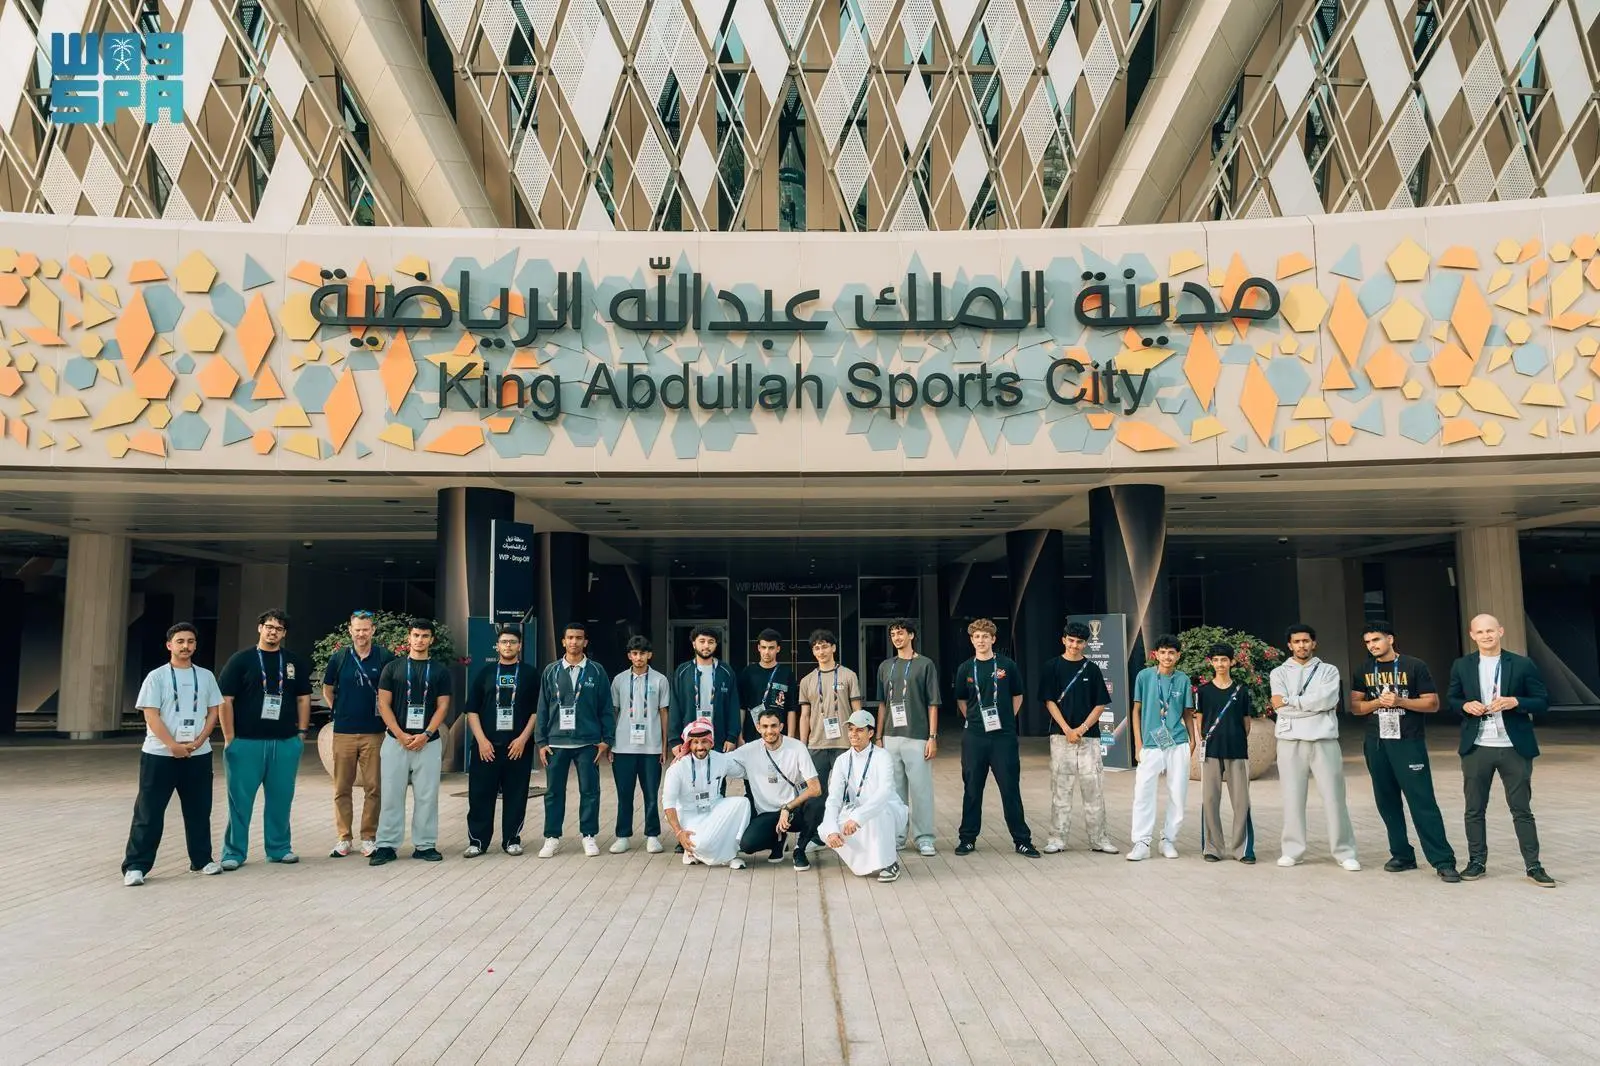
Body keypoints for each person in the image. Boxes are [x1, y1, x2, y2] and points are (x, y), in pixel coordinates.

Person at [1446, 614, 1554, 888]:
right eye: (1480, 632)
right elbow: (1452, 699)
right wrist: (1464, 706)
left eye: (1490, 631)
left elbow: (1542, 701)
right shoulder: (1462, 665)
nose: (1486, 636)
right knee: (1474, 809)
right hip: (1477, 746)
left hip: (1514, 747)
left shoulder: (1522, 664)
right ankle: (1476, 861)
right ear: (1472, 635)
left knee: (1521, 809)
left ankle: (1533, 866)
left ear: (1501, 631)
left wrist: (1516, 701)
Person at [1351, 622, 1459, 882]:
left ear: (1390, 639)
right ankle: (1402, 855)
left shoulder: (1414, 666)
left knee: (1422, 801)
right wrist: (1377, 702)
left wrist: (1400, 701)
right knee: (1387, 801)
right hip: (1377, 743)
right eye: (1367, 642)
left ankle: (1443, 860)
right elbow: (1356, 706)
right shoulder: (1364, 669)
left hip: (1408, 741)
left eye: (1376, 640)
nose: (1372, 645)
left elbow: (1432, 703)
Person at [122, 623, 224, 885]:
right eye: (180, 641)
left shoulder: (206, 676)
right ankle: (136, 866)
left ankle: (201, 860)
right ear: (169, 645)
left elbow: (213, 711)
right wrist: (172, 745)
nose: (185, 646)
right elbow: (151, 715)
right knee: (149, 812)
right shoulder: (156, 677)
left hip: (198, 755)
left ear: (195, 645)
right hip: (159, 754)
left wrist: (199, 740)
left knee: (199, 810)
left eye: (190, 641)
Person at [218, 609, 312, 870]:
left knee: (281, 799)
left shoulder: (292, 662)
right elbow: (225, 700)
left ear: (284, 633)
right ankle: (234, 852)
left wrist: (301, 734)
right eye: (269, 627)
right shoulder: (241, 660)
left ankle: (279, 848)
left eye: (279, 629)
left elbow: (303, 698)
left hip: (284, 742)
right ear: (260, 628)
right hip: (246, 742)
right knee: (240, 801)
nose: (273, 632)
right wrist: (229, 738)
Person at [1271, 623, 1359, 871]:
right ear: (1289, 645)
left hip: (1323, 739)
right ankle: (1292, 851)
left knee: (1334, 798)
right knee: (1292, 798)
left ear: (1314, 643)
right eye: (1297, 641)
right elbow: (1279, 708)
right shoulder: (1278, 673)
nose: (1302, 645)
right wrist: (1311, 706)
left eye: (1306, 641)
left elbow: (1327, 700)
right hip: (1290, 741)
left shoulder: (1328, 670)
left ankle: (1344, 852)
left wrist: (1291, 701)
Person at [953, 618, 1039, 858]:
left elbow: (1017, 695)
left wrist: (1006, 719)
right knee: (972, 789)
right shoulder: (965, 668)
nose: (981, 640)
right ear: (971, 640)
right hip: (974, 737)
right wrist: (975, 720)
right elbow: (961, 699)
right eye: (976, 637)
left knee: (1010, 789)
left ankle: (1022, 840)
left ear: (993, 639)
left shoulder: (1007, 665)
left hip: (1003, 737)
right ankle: (967, 839)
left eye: (985, 636)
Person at [370, 619, 453, 865]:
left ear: (431, 640)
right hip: (396, 741)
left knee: (427, 796)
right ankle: (386, 845)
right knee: (391, 795)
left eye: (425, 636)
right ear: (409, 638)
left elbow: (443, 706)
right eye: (416, 635)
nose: (420, 640)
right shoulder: (392, 668)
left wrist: (426, 734)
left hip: (429, 742)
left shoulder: (439, 671)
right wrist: (399, 733)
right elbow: (383, 703)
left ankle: (425, 845)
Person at [535, 621, 615, 858]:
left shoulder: (596, 671)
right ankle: (551, 837)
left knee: (590, 791)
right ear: (563, 641)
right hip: (556, 742)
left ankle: (588, 835)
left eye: (579, 638)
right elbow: (542, 707)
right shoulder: (551, 671)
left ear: (585, 642)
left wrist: (607, 739)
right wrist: (541, 742)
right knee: (553, 792)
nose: (574, 642)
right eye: (570, 638)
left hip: (588, 742)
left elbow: (606, 708)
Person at [320, 610, 393, 858]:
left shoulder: (384, 657)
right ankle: (344, 838)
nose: (361, 634)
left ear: (373, 630)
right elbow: (328, 688)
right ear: (350, 631)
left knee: (374, 787)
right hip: (344, 732)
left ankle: (369, 837)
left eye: (365, 629)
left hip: (374, 733)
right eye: (357, 629)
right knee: (342, 787)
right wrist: (338, 710)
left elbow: (393, 689)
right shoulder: (339, 657)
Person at [1040, 621, 1116, 855]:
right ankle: (1056, 838)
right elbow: (1049, 701)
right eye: (1071, 640)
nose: (1074, 645)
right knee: (1061, 790)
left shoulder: (1092, 669)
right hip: (1060, 737)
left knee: (1094, 791)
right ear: (1063, 640)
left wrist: (1080, 729)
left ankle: (1099, 839)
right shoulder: (1051, 666)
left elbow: (1100, 704)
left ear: (1085, 644)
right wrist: (1067, 729)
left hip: (1089, 738)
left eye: (1079, 642)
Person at [463, 625, 539, 857]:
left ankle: (512, 840)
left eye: (513, 642)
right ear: (497, 646)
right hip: (486, 748)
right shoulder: (485, 673)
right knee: (480, 795)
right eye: (504, 642)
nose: (508, 646)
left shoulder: (530, 674)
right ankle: (478, 841)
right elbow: (472, 710)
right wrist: (481, 741)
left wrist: (523, 739)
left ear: (520, 646)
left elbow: (536, 711)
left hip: (518, 747)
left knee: (516, 795)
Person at [874, 617, 940, 856]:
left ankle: (924, 838)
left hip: (917, 735)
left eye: (901, 633)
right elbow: (882, 704)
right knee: (894, 792)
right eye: (893, 634)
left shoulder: (925, 664)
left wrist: (932, 736)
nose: (897, 638)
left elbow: (933, 703)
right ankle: (897, 836)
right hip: (890, 736)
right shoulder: (885, 666)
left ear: (911, 635)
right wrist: (878, 736)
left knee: (921, 791)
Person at [1127, 635, 1195, 861]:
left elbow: (1187, 712)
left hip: (1177, 742)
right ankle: (1142, 842)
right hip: (1150, 742)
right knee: (1143, 792)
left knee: (1178, 792)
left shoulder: (1183, 679)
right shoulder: (1144, 676)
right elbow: (1136, 711)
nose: (1167, 656)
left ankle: (1168, 840)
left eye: (1171, 653)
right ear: (1155, 654)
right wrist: (1137, 743)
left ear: (1178, 656)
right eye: (1163, 652)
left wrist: (1193, 739)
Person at [732, 708, 823, 870]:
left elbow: (815, 788)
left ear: (781, 726)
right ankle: (778, 841)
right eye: (765, 726)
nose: (769, 731)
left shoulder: (797, 747)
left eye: (774, 726)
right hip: (767, 812)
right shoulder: (749, 750)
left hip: (793, 811)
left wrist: (787, 808)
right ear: (758, 728)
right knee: (747, 845)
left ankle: (799, 850)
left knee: (817, 803)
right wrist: (690, 753)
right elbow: (722, 761)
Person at [797, 629, 862, 846]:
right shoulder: (807, 680)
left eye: (825, 646)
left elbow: (857, 711)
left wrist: (859, 740)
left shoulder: (848, 675)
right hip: (817, 744)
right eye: (816, 648)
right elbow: (805, 715)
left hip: (845, 743)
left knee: (849, 790)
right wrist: (803, 745)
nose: (821, 651)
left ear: (833, 648)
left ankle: (850, 833)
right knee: (817, 794)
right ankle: (817, 836)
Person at [609, 635, 671, 854]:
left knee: (651, 795)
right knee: (624, 795)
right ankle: (623, 836)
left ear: (649, 655)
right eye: (634, 653)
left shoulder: (660, 680)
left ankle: (652, 835)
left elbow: (664, 713)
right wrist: (611, 744)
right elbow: (614, 712)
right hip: (623, 747)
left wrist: (664, 746)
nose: (638, 657)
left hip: (651, 747)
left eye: (642, 653)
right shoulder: (619, 680)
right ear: (629, 656)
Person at [662, 719, 751, 867]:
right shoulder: (677, 768)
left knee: (743, 803)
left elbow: (745, 772)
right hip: (689, 816)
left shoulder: (720, 759)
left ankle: (731, 854)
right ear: (689, 744)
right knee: (700, 845)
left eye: (704, 741)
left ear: (711, 742)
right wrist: (679, 833)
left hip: (714, 808)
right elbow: (668, 805)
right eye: (695, 742)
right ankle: (693, 851)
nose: (700, 747)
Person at [1196, 643, 1254, 864]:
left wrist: (1235, 737)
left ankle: (1242, 849)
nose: (1220, 664)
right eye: (1216, 660)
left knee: (1241, 801)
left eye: (1224, 660)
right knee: (1210, 799)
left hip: (1237, 750)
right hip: (1211, 750)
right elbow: (1200, 720)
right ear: (1211, 663)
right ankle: (1213, 848)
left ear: (1232, 662)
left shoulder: (1241, 690)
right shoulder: (1203, 691)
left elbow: (1246, 723)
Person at [670, 626, 739, 752]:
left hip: (720, 740)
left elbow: (733, 706)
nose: (706, 646)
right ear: (694, 644)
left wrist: (732, 737)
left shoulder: (726, 672)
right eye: (702, 641)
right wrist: (674, 740)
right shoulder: (682, 672)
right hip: (689, 739)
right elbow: (675, 706)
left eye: (711, 642)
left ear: (716, 645)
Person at [738, 628, 797, 742]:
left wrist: (790, 738)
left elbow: (791, 708)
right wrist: (740, 737)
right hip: (752, 736)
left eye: (771, 648)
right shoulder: (748, 672)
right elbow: (742, 707)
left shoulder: (786, 673)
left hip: (779, 736)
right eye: (764, 647)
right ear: (758, 648)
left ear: (778, 649)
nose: (767, 652)